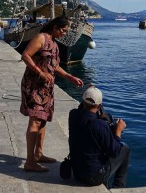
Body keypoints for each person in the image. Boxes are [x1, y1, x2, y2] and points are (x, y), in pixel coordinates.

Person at [20, 16, 84, 172]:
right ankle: (29, 161)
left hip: (46, 88)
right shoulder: (40, 38)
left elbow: (54, 66)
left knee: (42, 120)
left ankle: (38, 154)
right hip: (34, 86)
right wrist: (41, 73)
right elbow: (26, 56)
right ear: (55, 26)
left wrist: (70, 77)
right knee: (35, 121)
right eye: (63, 30)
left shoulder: (54, 44)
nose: (64, 33)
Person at [68, 86, 130, 189]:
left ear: (83, 101)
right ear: (100, 105)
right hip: (93, 177)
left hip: (76, 172)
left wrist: (88, 94)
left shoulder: (73, 115)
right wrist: (118, 131)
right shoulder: (100, 125)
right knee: (125, 149)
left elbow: (82, 109)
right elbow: (115, 152)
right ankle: (118, 187)